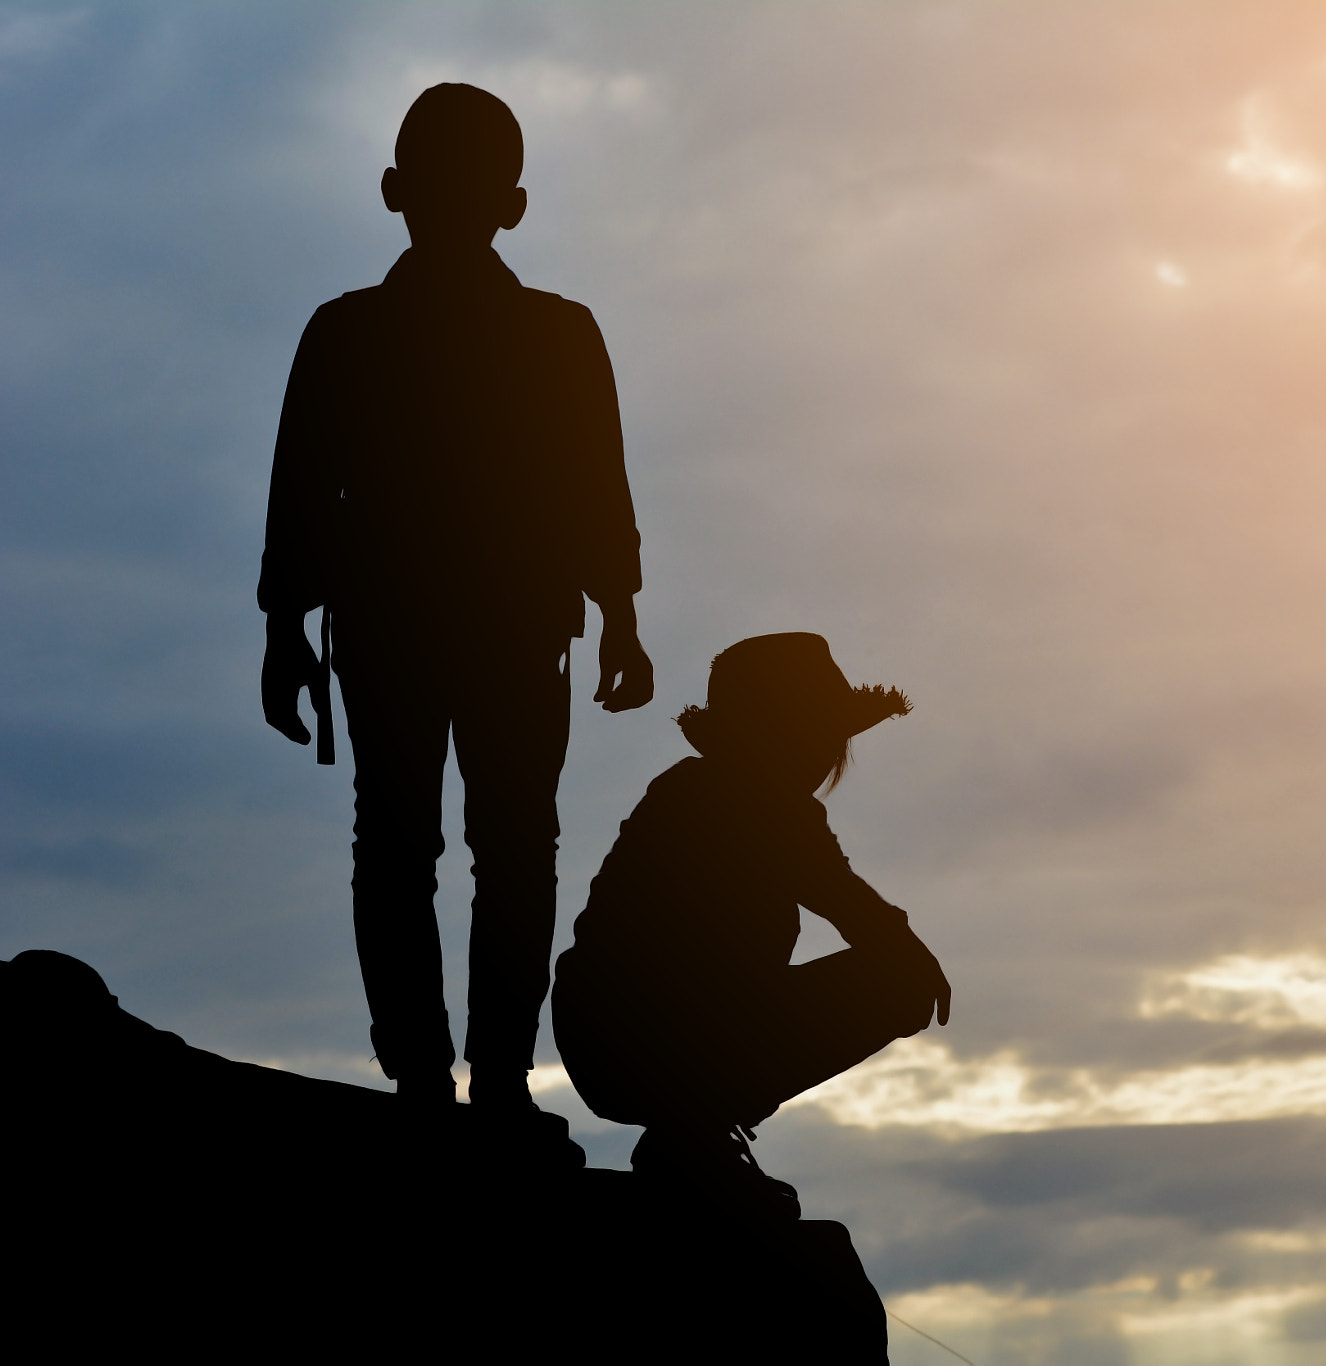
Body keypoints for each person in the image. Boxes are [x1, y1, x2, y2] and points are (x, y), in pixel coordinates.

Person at [258, 84, 653, 1109]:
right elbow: (303, 484)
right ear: (511, 204)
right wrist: (620, 616)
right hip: (470, 627)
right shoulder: (541, 334)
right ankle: (473, 1078)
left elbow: (591, 484)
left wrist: (284, 628)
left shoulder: (355, 333)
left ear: (394, 191)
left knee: (429, 845)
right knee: (491, 844)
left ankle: (451, 1076)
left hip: (460, 627)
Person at [553, 633, 951, 1212]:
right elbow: (855, 908)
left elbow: (845, 900)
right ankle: (693, 1134)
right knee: (898, 985)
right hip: (650, 1040)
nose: (826, 756)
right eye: (821, 737)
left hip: (612, 1040)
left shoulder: (699, 789)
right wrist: (915, 960)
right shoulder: (749, 801)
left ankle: (693, 1134)